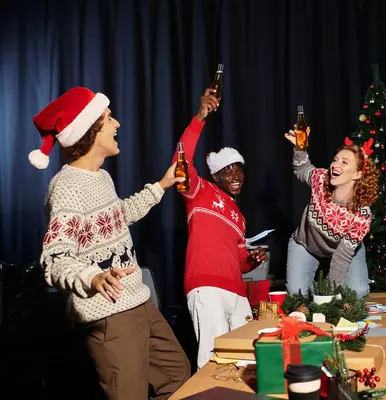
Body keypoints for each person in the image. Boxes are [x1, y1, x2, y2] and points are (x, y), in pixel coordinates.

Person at [30, 86, 191, 400]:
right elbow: (55, 259)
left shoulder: (102, 178)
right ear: (90, 131)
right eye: (108, 118)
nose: (117, 124)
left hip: (138, 302)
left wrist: (162, 185)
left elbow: (119, 214)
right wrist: (93, 276)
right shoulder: (66, 187)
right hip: (110, 314)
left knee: (177, 374)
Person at [173, 88, 268, 370]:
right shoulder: (199, 191)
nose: (235, 175)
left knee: (245, 360)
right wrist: (200, 117)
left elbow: (240, 262)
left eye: (239, 170)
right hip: (206, 287)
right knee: (214, 362)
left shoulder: (239, 216)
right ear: (215, 175)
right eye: (228, 170)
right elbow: (181, 160)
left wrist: (253, 259)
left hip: (237, 293)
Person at [284, 127, 379, 299]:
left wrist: (327, 297)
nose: (335, 164)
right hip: (305, 245)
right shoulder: (321, 179)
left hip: (342, 251)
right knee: (296, 295)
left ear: (357, 174)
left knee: (356, 293)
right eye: (335, 160)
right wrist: (299, 147)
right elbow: (302, 169)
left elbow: (341, 259)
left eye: (344, 162)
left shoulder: (361, 214)